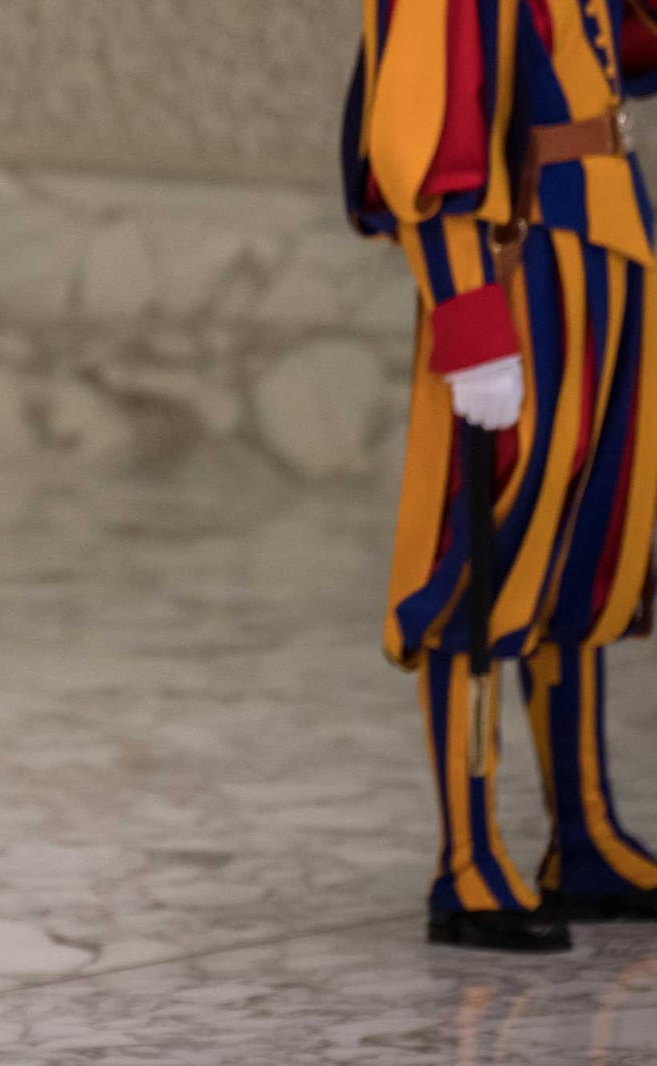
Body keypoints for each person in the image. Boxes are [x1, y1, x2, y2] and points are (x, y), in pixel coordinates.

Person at [343, 0, 657, 951]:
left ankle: (585, 838)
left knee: (580, 549)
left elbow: (624, 54)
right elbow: (424, 146)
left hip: (608, 243)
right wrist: (471, 323)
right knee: (485, 552)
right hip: (517, 265)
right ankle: (468, 862)